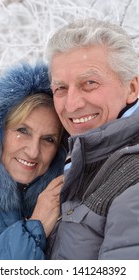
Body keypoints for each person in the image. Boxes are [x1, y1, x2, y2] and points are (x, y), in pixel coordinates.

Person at [44, 17, 139, 259]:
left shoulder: (132, 177)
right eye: (60, 89)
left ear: (132, 88)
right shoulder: (73, 161)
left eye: (89, 83)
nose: (72, 104)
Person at [0, 62, 66, 259]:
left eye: (48, 139)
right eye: (23, 131)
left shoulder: (66, 199)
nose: (33, 151)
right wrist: (33, 229)